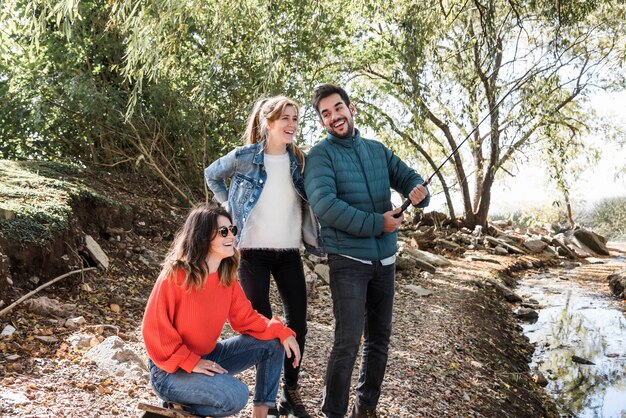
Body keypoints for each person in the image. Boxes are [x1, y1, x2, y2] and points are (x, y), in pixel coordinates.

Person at [303, 84, 430, 418]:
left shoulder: (377, 150)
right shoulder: (320, 156)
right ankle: (333, 412)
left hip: (385, 261)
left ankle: (366, 408)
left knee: (379, 339)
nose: (334, 117)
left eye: (338, 108)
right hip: (347, 261)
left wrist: (420, 193)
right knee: (347, 341)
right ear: (321, 121)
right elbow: (325, 206)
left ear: (351, 108)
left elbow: (412, 179)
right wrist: (378, 223)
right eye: (326, 113)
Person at [204, 96, 318, 418]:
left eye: (296, 118)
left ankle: (290, 393)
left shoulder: (300, 161)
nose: (292, 124)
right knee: (263, 327)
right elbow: (212, 174)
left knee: (297, 323)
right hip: (252, 252)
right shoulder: (245, 157)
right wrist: (229, 208)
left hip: (288, 253)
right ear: (268, 122)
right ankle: (263, 402)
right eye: (286, 118)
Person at [142, 203, 301, 418]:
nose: (231, 237)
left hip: (207, 356)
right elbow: (154, 330)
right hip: (169, 371)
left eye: (232, 230)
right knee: (235, 396)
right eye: (223, 231)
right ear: (202, 236)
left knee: (273, 342)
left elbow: (246, 319)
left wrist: (283, 332)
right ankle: (173, 409)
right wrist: (191, 362)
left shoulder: (226, 279)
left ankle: (261, 415)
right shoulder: (176, 274)